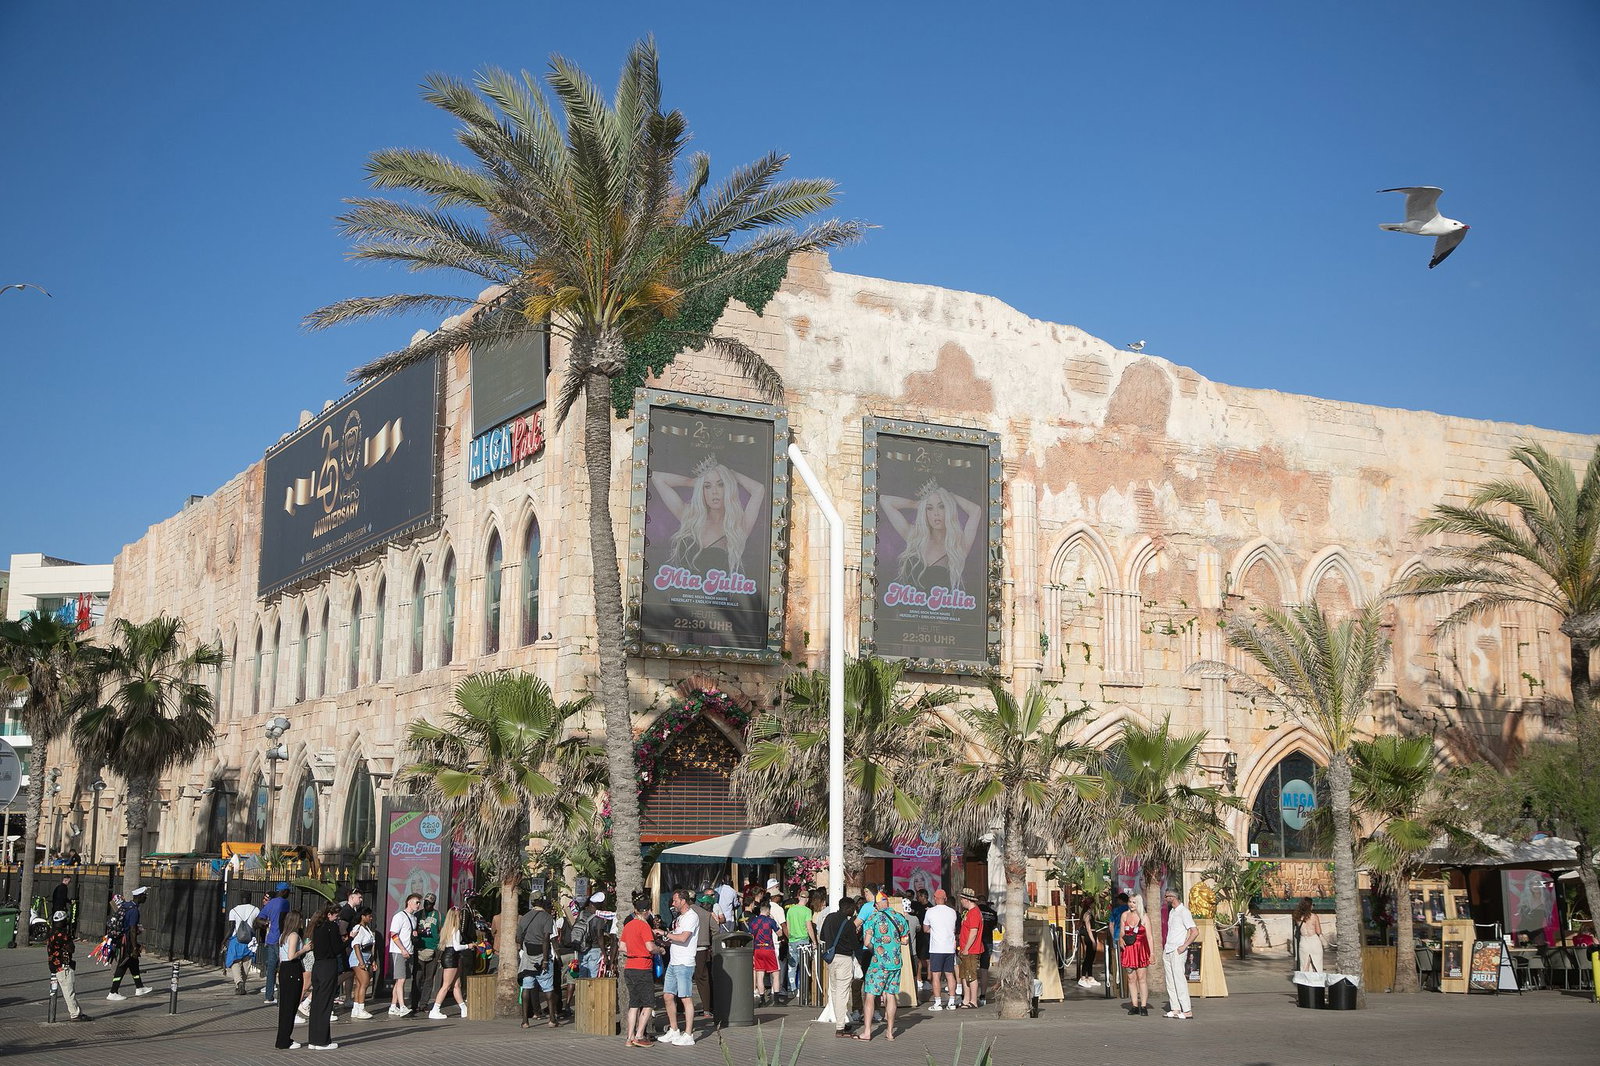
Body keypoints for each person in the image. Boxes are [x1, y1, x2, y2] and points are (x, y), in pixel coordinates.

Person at [879, 481, 982, 592]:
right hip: (906, 603)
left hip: (942, 603)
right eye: (929, 508)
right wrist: (916, 504)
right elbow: (884, 500)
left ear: (949, 509)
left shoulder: (958, 546)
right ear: (925, 512)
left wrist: (950, 496)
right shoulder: (915, 537)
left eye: (942, 506)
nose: (936, 513)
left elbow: (976, 510)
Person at [856, 895, 909, 1042]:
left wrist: (876, 948)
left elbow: (866, 942)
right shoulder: (899, 917)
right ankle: (890, 1032)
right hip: (895, 963)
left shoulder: (874, 918)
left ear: (878, 904)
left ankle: (867, 1032)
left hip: (878, 964)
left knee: (870, 995)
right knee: (890, 995)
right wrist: (893, 943)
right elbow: (905, 941)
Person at [619, 891, 661, 1048]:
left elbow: (622, 947)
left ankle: (629, 1037)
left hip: (629, 966)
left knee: (634, 1003)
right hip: (642, 966)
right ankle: (639, 1035)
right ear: (647, 911)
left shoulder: (628, 925)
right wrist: (660, 950)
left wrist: (633, 949)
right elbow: (650, 947)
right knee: (648, 1003)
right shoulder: (644, 926)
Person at [661, 889, 699, 1046]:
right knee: (668, 996)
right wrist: (664, 940)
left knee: (685, 997)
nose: (673, 903)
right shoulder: (679, 918)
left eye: (675, 901)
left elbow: (683, 938)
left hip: (684, 962)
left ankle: (688, 1034)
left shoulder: (691, 916)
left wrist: (664, 933)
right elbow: (676, 937)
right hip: (674, 961)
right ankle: (674, 1029)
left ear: (683, 901)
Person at [818, 896, 860, 1036]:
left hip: (832, 960)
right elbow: (855, 945)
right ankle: (840, 1027)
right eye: (853, 908)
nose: (854, 911)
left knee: (835, 991)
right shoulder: (848, 924)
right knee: (842, 993)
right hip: (844, 960)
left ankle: (840, 1022)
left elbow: (822, 937)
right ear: (848, 908)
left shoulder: (829, 918)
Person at [307, 903, 343, 1050]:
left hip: (318, 965)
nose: (337, 919)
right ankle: (322, 1041)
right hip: (328, 965)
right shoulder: (331, 927)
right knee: (326, 1003)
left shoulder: (316, 927)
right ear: (329, 914)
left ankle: (313, 1039)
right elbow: (337, 948)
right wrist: (348, 939)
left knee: (317, 1002)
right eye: (336, 916)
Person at [107, 885, 151, 1000]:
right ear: (139, 896)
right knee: (123, 964)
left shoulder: (126, 905)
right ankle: (113, 992)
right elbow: (132, 930)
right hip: (126, 941)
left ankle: (139, 987)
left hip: (122, 939)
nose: (146, 898)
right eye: (144, 896)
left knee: (133, 962)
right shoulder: (134, 910)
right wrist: (134, 947)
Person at [427, 906, 470, 1019]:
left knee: (456, 985)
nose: (461, 917)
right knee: (446, 985)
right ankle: (435, 1009)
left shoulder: (446, 929)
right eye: (460, 915)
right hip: (451, 957)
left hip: (448, 955)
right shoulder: (456, 930)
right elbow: (457, 947)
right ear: (456, 917)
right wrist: (468, 946)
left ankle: (463, 1008)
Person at [47, 909, 89, 1022]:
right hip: (62, 965)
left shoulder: (52, 932)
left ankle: (77, 1011)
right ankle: (75, 1014)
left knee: (69, 990)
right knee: (68, 991)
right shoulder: (62, 934)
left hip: (55, 964)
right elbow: (71, 949)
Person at [1162, 887, 1197, 1019]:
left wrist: (1184, 946)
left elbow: (1194, 931)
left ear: (1173, 897)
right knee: (1170, 981)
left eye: (1167, 896)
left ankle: (1187, 1010)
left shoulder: (1184, 912)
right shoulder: (1172, 912)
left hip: (1178, 950)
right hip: (1168, 949)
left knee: (1179, 980)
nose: (1165, 899)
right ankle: (1175, 1008)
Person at [275, 910, 308, 1049]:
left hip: (284, 968)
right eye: (300, 919)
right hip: (292, 969)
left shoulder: (283, 935)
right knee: (291, 1005)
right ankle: (285, 1040)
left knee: (286, 1005)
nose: (302, 922)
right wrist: (304, 949)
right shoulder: (294, 935)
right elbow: (291, 955)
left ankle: (283, 1038)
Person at [388, 892, 422, 1016]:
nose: (418, 905)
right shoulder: (399, 916)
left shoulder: (414, 918)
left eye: (419, 903)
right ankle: (402, 1006)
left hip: (409, 950)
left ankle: (393, 1006)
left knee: (400, 980)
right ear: (409, 902)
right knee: (401, 979)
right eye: (416, 902)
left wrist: (414, 935)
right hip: (399, 951)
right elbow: (393, 934)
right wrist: (402, 949)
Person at [924, 888, 958, 1010]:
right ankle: (952, 1001)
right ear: (946, 899)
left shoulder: (930, 912)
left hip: (936, 948)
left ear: (934, 898)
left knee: (936, 975)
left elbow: (925, 929)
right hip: (949, 947)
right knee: (950, 974)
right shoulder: (952, 912)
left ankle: (938, 1003)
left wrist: (933, 930)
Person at [259, 883, 292, 1005]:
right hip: (280, 938)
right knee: (283, 968)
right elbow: (283, 920)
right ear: (284, 891)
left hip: (270, 939)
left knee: (271, 969)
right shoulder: (284, 903)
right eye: (288, 891)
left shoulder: (271, 903)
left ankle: (269, 996)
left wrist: (267, 923)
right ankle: (282, 997)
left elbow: (259, 918)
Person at [1119, 895, 1152, 1016]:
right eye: (1130, 902)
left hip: (1141, 949)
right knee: (1131, 978)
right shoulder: (1124, 915)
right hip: (1128, 949)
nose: (1131, 904)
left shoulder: (1144, 917)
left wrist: (1152, 953)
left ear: (1139, 903)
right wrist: (1120, 938)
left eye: (1134, 902)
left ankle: (1143, 1005)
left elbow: (1149, 937)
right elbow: (1122, 931)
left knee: (1142, 978)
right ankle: (1134, 1005)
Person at [747, 894, 782, 1006]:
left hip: (758, 949)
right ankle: (776, 999)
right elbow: (779, 933)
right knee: (775, 973)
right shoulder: (770, 921)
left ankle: (762, 1000)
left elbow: (750, 935)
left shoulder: (754, 921)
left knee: (760, 974)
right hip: (768, 948)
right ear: (768, 911)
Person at [225, 895, 263, 995]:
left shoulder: (233, 910)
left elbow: (231, 928)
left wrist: (224, 940)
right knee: (247, 962)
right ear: (250, 898)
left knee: (235, 962)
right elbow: (258, 924)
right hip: (250, 940)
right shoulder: (255, 910)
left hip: (236, 940)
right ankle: (243, 985)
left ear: (240, 899)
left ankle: (239, 982)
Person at [410, 893, 441, 1013]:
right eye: (426, 902)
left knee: (429, 978)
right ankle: (414, 1003)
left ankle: (423, 1004)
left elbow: (442, 930)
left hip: (433, 949)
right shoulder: (417, 915)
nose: (427, 905)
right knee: (417, 977)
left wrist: (440, 948)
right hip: (419, 949)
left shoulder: (438, 915)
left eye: (430, 903)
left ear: (433, 904)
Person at [783, 890, 816, 1006]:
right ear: (807, 899)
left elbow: (788, 926)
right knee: (804, 966)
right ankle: (802, 989)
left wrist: (790, 937)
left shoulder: (791, 910)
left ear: (799, 898)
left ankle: (792, 989)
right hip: (803, 941)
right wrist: (814, 941)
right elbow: (809, 927)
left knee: (792, 966)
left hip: (792, 940)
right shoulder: (807, 911)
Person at [955, 888, 984, 1008]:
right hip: (965, 949)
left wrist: (966, 948)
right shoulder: (969, 912)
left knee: (971, 975)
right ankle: (966, 999)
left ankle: (973, 1000)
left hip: (971, 950)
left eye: (962, 899)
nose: (961, 901)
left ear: (967, 899)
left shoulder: (974, 913)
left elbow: (973, 933)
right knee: (964, 975)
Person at [690, 892, 716, 1021]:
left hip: (687, 948)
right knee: (703, 978)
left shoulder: (685, 913)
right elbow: (716, 930)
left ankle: (681, 1009)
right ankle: (707, 1009)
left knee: (683, 978)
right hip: (703, 948)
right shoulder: (706, 914)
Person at [348, 907, 376, 1018]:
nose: (371, 918)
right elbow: (356, 945)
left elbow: (370, 947)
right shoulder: (358, 928)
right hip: (359, 957)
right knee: (365, 982)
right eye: (369, 916)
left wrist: (372, 961)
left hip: (366, 956)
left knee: (359, 984)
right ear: (363, 916)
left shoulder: (367, 929)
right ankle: (361, 1008)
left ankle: (356, 1008)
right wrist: (361, 962)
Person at [1293, 897, 1324, 973]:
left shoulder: (1297, 917)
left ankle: (1305, 979)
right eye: (1312, 904)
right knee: (1317, 963)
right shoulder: (1314, 917)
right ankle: (1316, 979)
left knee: (1305, 964)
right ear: (1309, 906)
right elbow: (1318, 931)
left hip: (1303, 941)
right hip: (1314, 940)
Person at [1077, 900, 1101, 988]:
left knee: (1091, 957)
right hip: (1089, 936)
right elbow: (1088, 929)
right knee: (1088, 957)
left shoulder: (1091, 914)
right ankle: (1083, 977)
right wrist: (1093, 941)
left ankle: (1090, 977)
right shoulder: (1087, 915)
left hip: (1093, 934)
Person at [911, 888, 931, 991]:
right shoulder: (916, 905)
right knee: (918, 958)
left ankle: (929, 979)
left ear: (923, 896)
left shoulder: (930, 908)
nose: (917, 898)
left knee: (927, 959)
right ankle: (919, 979)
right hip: (918, 937)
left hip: (927, 937)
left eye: (918, 896)